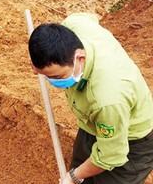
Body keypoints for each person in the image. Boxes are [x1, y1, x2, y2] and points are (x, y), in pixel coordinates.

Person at [28, 13, 153, 184]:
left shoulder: (107, 98)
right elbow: (88, 17)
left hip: (132, 141)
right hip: (93, 125)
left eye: (57, 76)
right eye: (46, 76)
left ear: (80, 58)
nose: (52, 82)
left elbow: (111, 155)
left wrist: (73, 177)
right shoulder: (75, 26)